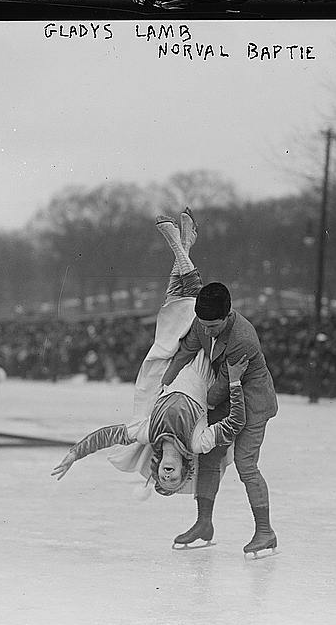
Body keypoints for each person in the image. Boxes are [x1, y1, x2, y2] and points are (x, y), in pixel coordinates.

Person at [51, 212, 251, 512]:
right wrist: (234, 380)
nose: (167, 477)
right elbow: (235, 423)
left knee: (172, 303)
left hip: (167, 361)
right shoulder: (198, 442)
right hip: (201, 360)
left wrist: (75, 454)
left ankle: (184, 243)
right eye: (174, 481)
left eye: (161, 478)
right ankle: (179, 244)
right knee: (196, 303)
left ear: (156, 467)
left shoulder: (148, 433)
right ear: (185, 469)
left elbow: (107, 436)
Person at [160, 250, 280, 557]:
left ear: (228, 316)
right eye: (204, 325)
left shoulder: (243, 339)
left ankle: (265, 531)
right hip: (224, 396)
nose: (208, 331)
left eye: (214, 327)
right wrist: (167, 380)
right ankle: (204, 523)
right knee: (209, 459)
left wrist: (195, 400)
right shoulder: (203, 323)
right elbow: (188, 347)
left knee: (245, 464)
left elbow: (223, 386)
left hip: (250, 401)